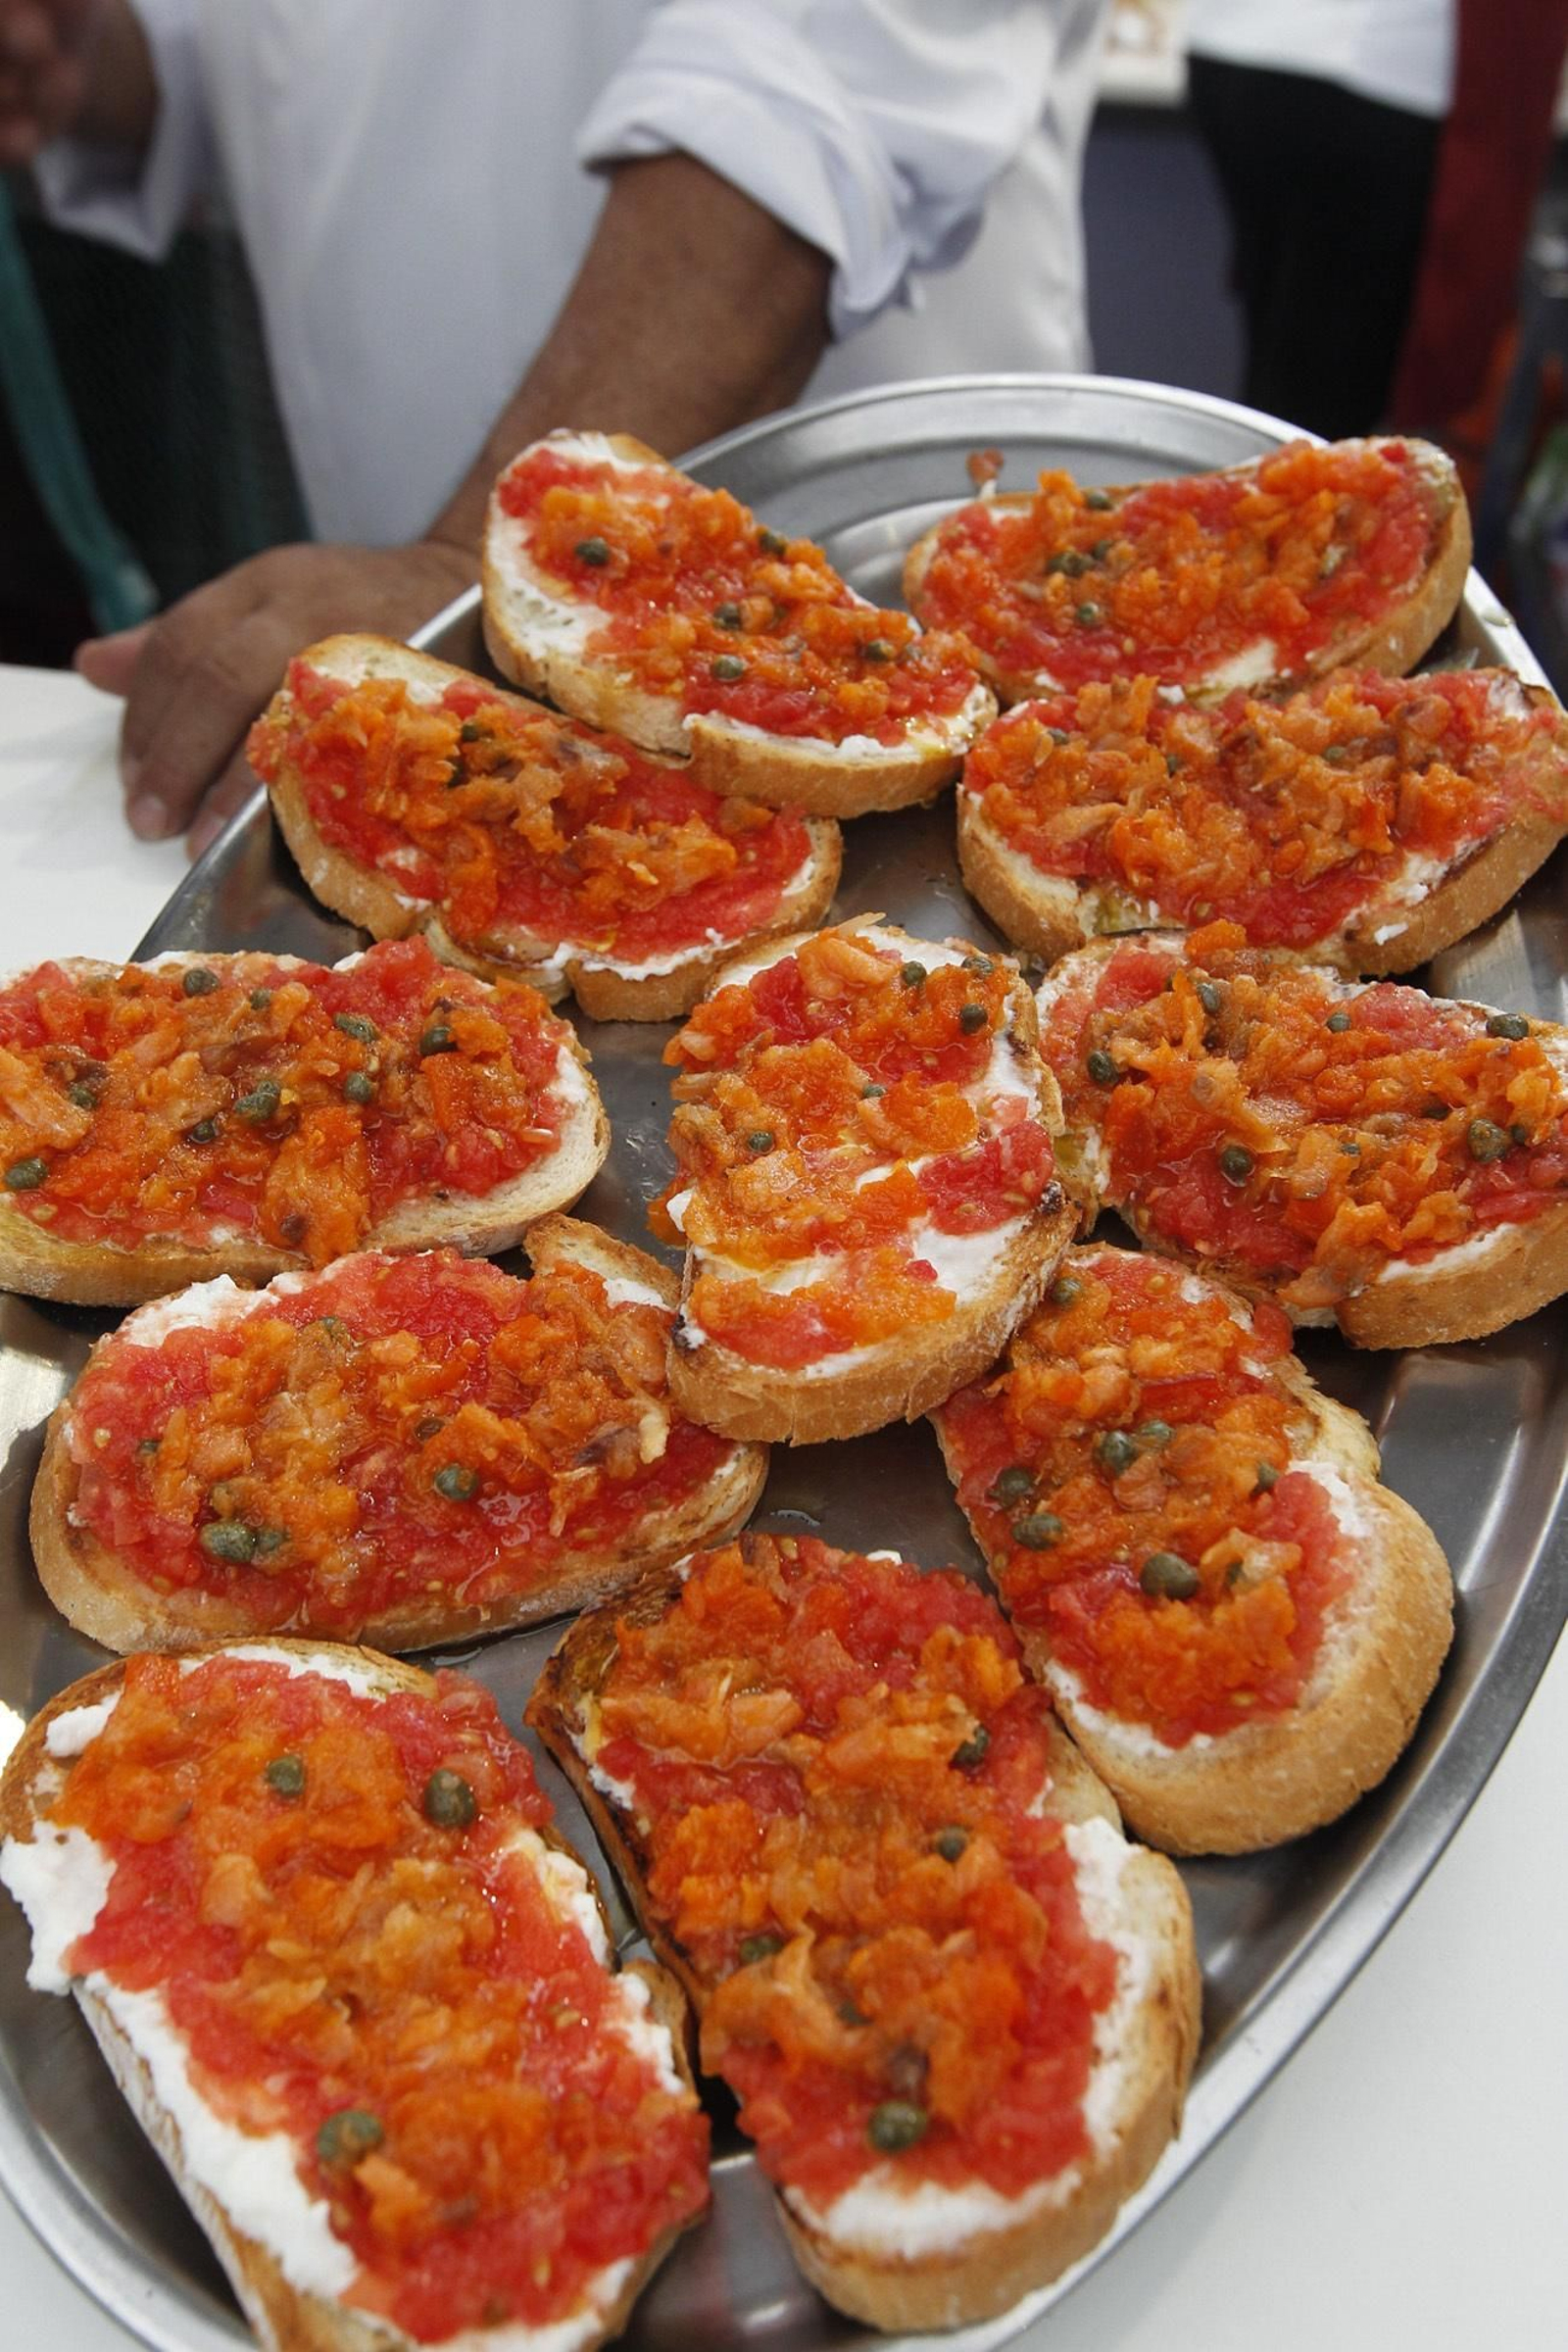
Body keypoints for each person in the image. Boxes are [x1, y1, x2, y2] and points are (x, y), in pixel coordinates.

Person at [0, 0, 1107, 855]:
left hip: (892, 616)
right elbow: (269, 62)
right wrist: (78, 59)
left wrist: (475, 565)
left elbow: (811, 96)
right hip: (414, 609)